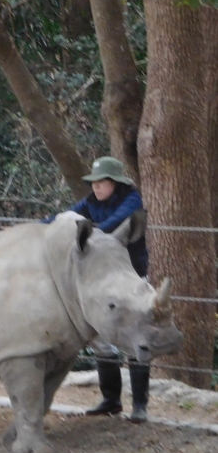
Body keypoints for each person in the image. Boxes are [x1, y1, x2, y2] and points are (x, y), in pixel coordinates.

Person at [70, 156, 151, 423]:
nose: (96, 187)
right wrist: (35, 229)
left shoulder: (132, 201)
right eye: (93, 183)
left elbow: (114, 224)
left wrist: (87, 235)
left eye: (101, 182)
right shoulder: (92, 203)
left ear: (115, 183)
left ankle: (139, 406)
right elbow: (65, 218)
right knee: (101, 340)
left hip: (131, 277)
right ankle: (111, 400)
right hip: (103, 280)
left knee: (136, 337)